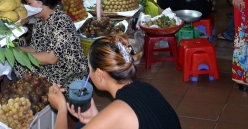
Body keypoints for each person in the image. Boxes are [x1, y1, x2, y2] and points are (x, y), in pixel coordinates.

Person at [48, 35, 182, 129]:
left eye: (90, 69)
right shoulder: (146, 88)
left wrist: (61, 108)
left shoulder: (119, 110)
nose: (89, 74)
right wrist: (97, 118)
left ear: (100, 74)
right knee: (82, 125)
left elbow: (120, 116)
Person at [15, 0, 89, 87]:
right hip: (51, 70)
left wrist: (21, 55)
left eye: (28, 3)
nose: (27, 7)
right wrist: (14, 51)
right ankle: (39, 94)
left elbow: (51, 58)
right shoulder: (39, 22)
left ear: (41, 1)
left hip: (69, 74)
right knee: (18, 64)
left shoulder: (61, 21)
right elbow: (34, 48)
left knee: (22, 62)